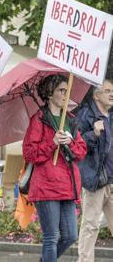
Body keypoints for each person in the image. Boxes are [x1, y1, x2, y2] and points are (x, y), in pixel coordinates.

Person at [22, 74, 87, 262]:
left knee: (70, 236)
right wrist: (52, 142)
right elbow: (30, 153)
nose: (65, 95)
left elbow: (81, 151)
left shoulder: (71, 120)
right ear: (49, 93)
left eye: (67, 91)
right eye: (61, 90)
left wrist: (71, 143)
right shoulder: (39, 119)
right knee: (51, 238)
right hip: (46, 186)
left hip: (67, 186)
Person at [76, 79, 113, 262]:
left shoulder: (112, 117)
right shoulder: (86, 115)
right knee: (90, 226)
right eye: (107, 91)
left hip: (112, 181)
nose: (112, 94)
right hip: (96, 181)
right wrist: (94, 134)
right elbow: (77, 145)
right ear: (97, 95)